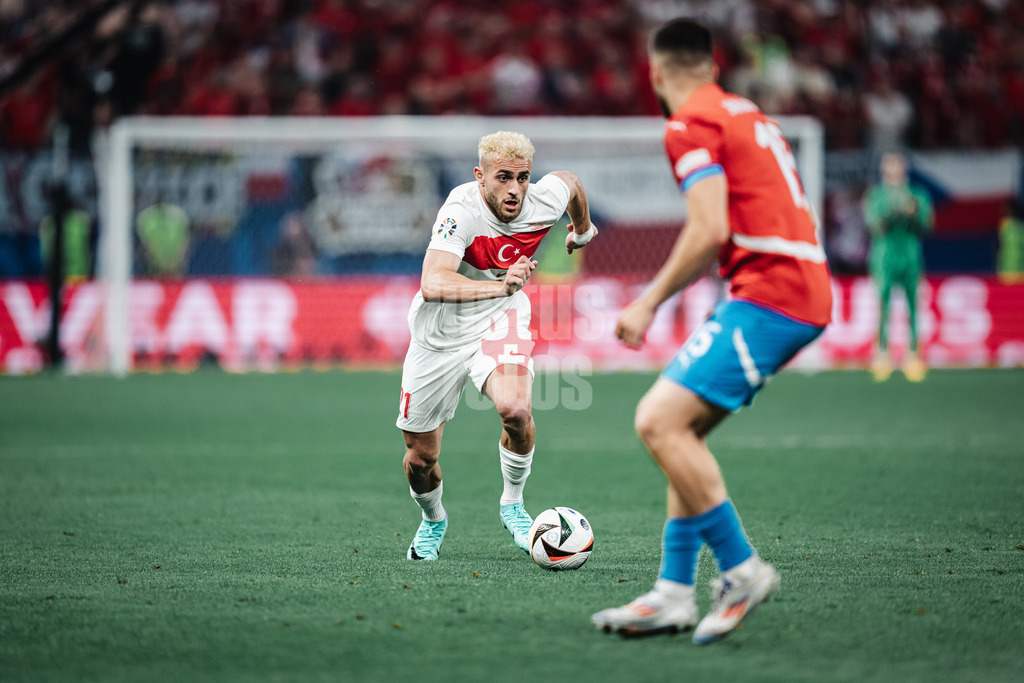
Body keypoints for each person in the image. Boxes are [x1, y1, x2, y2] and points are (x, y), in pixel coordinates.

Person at [590, 19, 832, 644]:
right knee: (682, 432)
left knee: (656, 421)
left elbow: (709, 229)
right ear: (713, 66)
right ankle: (673, 594)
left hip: (772, 292)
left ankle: (742, 570)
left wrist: (646, 304)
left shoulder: (689, 123)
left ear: (655, 72)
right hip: (793, 284)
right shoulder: (748, 113)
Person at [397, 130, 596, 561]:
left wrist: (582, 230)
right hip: (440, 333)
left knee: (517, 411)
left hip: (501, 319)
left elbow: (573, 183)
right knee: (419, 458)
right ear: (480, 176)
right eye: (503, 177)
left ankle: (513, 503)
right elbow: (433, 283)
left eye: (523, 178)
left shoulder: (542, 199)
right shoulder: (460, 210)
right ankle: (434, 520)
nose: (515, 189)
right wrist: (500, 286)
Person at [863, 151, 933, 382]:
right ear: (884, 170)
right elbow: (874, 225)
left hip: (910, 255)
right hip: (884, 256)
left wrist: (912, 213)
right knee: (883, 305)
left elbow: (926, 224)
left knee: (914, 305)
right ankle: (882, 354)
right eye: (889, 166)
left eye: (897, 166)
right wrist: (892, 212)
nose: (893, 171)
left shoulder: (917, 195)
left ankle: (913, 355)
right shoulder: (876, 195)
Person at [136, 196, 190, 277]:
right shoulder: (146, 218)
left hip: (175, 264)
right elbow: (144, 244)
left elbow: (185, 241)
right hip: (155, 266)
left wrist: (179, 259)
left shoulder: (178, 217)